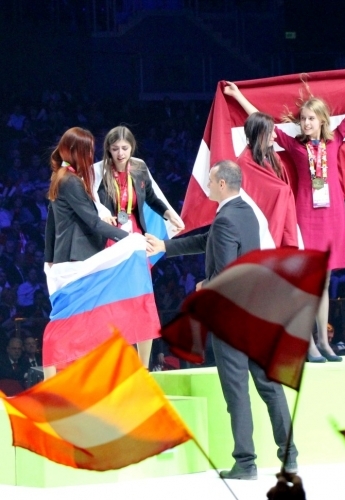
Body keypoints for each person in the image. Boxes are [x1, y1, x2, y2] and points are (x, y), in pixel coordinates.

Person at [223, 65, 345, 362]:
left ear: (322, 120)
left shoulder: (335, 139)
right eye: (303, 118)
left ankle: (324, 342)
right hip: (304, 217)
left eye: (311, 118)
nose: (306, 122)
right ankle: (308, 344)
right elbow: (263, 120)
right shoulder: (292, 144)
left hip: (332, 216)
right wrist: (237, 96)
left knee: (324, 282)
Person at [146, 160, 298, 480]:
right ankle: (290, 455)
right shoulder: (242, 212)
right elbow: (208, 241)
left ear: (222, 185)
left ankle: (245, 462)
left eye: (211, 179)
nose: (207, 183)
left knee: (237, 391)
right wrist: (166, 247)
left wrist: (205, 286)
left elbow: (226, 272)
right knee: (269, 386)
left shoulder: (226, 218)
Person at [44, 127, 129, 379]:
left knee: (76, 320)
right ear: (78, 150)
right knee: (79, 321)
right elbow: (92, 223)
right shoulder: (70, 181)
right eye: (89, 149)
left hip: (67, 257)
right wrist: (129, 239)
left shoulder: (61, 176)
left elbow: (52, 222)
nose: (92, 154)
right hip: (77, 259)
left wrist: (49, 257)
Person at [98, 125, 184, 368]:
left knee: (142, 301)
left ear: (132, 148)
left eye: (125, 148)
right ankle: (114, 363)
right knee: (113, 304)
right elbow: (91, 202)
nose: (121, 153)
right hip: (111, 241)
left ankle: (144, 367)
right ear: (109, 150)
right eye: (115, 149)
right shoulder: (100, 172)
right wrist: (102, 211)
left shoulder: (139, 167)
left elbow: (153, 198)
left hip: (136, 241)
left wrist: (168, 213)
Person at [237, 112, 298, 249]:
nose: (275, 136)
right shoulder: (245, 163)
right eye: (271, 132)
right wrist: (283, 191)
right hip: (260, 229)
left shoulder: (273, 157)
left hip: (281, 217)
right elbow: (277, 191)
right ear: (259, 133)